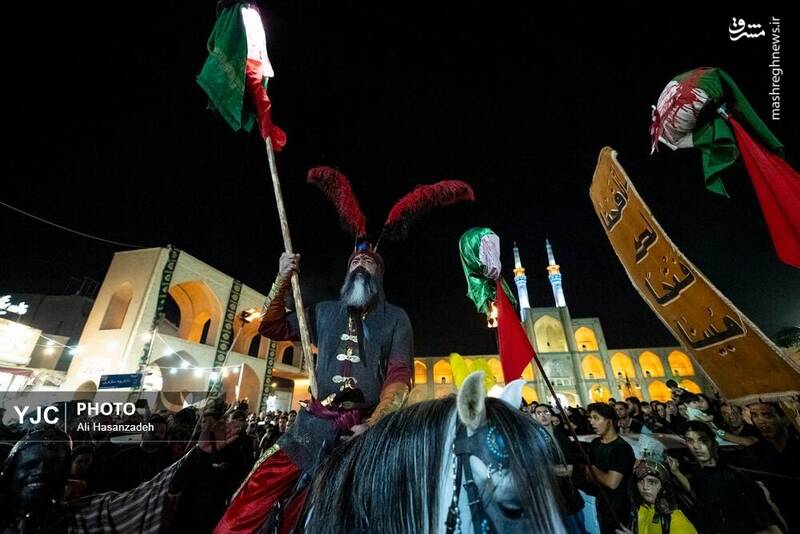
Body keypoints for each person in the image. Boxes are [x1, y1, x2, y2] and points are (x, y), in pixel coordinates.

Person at [215, 245, 414, 533]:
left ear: (379, 274)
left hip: (364, 430)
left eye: (368, 261)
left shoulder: (396, 318)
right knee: (252, 497)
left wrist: (375, 423)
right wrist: (283, 278)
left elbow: (399, 374)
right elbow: (271, 327)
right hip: (312, 427)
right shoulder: (323, 311)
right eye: (355, 261)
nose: (360, 263)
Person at [0, 422, 238, 533]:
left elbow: (148, 495)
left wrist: (198, 454)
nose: (42, 471)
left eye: (53, 465)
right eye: (32, 464)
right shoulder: (122, 456)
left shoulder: (85, 517)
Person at [669, 421, 782, 533]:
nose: (696, 446)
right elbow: (696, 491)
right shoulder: (700, 473)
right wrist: (676, 472)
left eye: (702, 440)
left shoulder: (735, 477)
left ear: (714, 444)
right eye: (690, 441)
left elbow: (771, 527)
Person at [737, 402, 800, 533]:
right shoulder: (753, 454)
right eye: (755, 415)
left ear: (784, 417)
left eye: (767, 415)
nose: (760, 421)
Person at [533, 404, 585, 532]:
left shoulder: (561, 437)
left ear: (551, 415)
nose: (543, 415)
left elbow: (569, 469)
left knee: (578, 528)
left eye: (546, 412)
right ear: (534, 417)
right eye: (539, 413)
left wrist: (545, 469)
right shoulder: (534, 440)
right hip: (551, 497)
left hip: (570, 494)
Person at [585, 402, 636, 533]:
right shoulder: (595, 443)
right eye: (590, 418)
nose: (592, 422)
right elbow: (587, 476)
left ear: (609, 420)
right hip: (599, 506)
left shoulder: (621, 448)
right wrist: (595, 473)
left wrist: (593, 470)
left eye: (596, 418)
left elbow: (612, 482)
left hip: (619, 510)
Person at [615, 459, 697, 534]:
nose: (645, 487)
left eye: (652, 482)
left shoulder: (676, 520)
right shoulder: (639, 510)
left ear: (664, 486)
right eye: (640, 481)